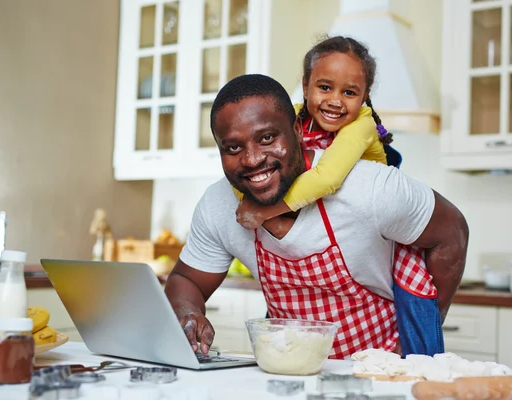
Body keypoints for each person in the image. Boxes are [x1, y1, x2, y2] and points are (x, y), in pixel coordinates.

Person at [164, 73, 469, 360]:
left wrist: (426, 323)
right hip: (291, 372)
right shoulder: (217, 204)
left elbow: (452, 230)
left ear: (297, 129)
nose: (252, 159)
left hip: (381, 371)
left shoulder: (367, 187)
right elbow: (186, 279)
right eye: (233, 147)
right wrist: (186, 313)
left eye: (268, 138)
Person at [232, 36, 443, 357]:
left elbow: (329, 179)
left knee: (411, 297)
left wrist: (264, 210)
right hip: (314, 219)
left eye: (349, 92)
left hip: (374, 232)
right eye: (325, 87)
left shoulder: (363, 124)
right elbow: (252, 161)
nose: (335, 101)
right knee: (287, 307)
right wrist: (247, 196)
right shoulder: (292, 117)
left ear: (365, 96)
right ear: (305, 86)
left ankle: (420, 361)